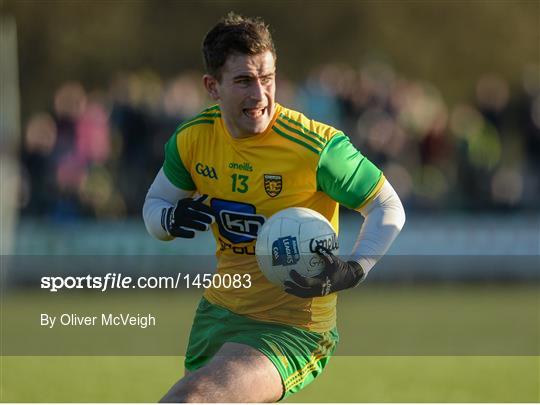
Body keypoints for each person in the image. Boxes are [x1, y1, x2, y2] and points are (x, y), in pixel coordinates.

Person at [143, 12, 405, 402]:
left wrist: (355, 269)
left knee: (190, 399)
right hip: (218, 314)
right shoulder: (193, 139)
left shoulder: (316, 147)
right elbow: (155, 204)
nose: (260, 95)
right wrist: (170, 219)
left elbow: (387, 206)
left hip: (292, 327)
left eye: (267, 78)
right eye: (244, 81)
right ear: (212, 87)